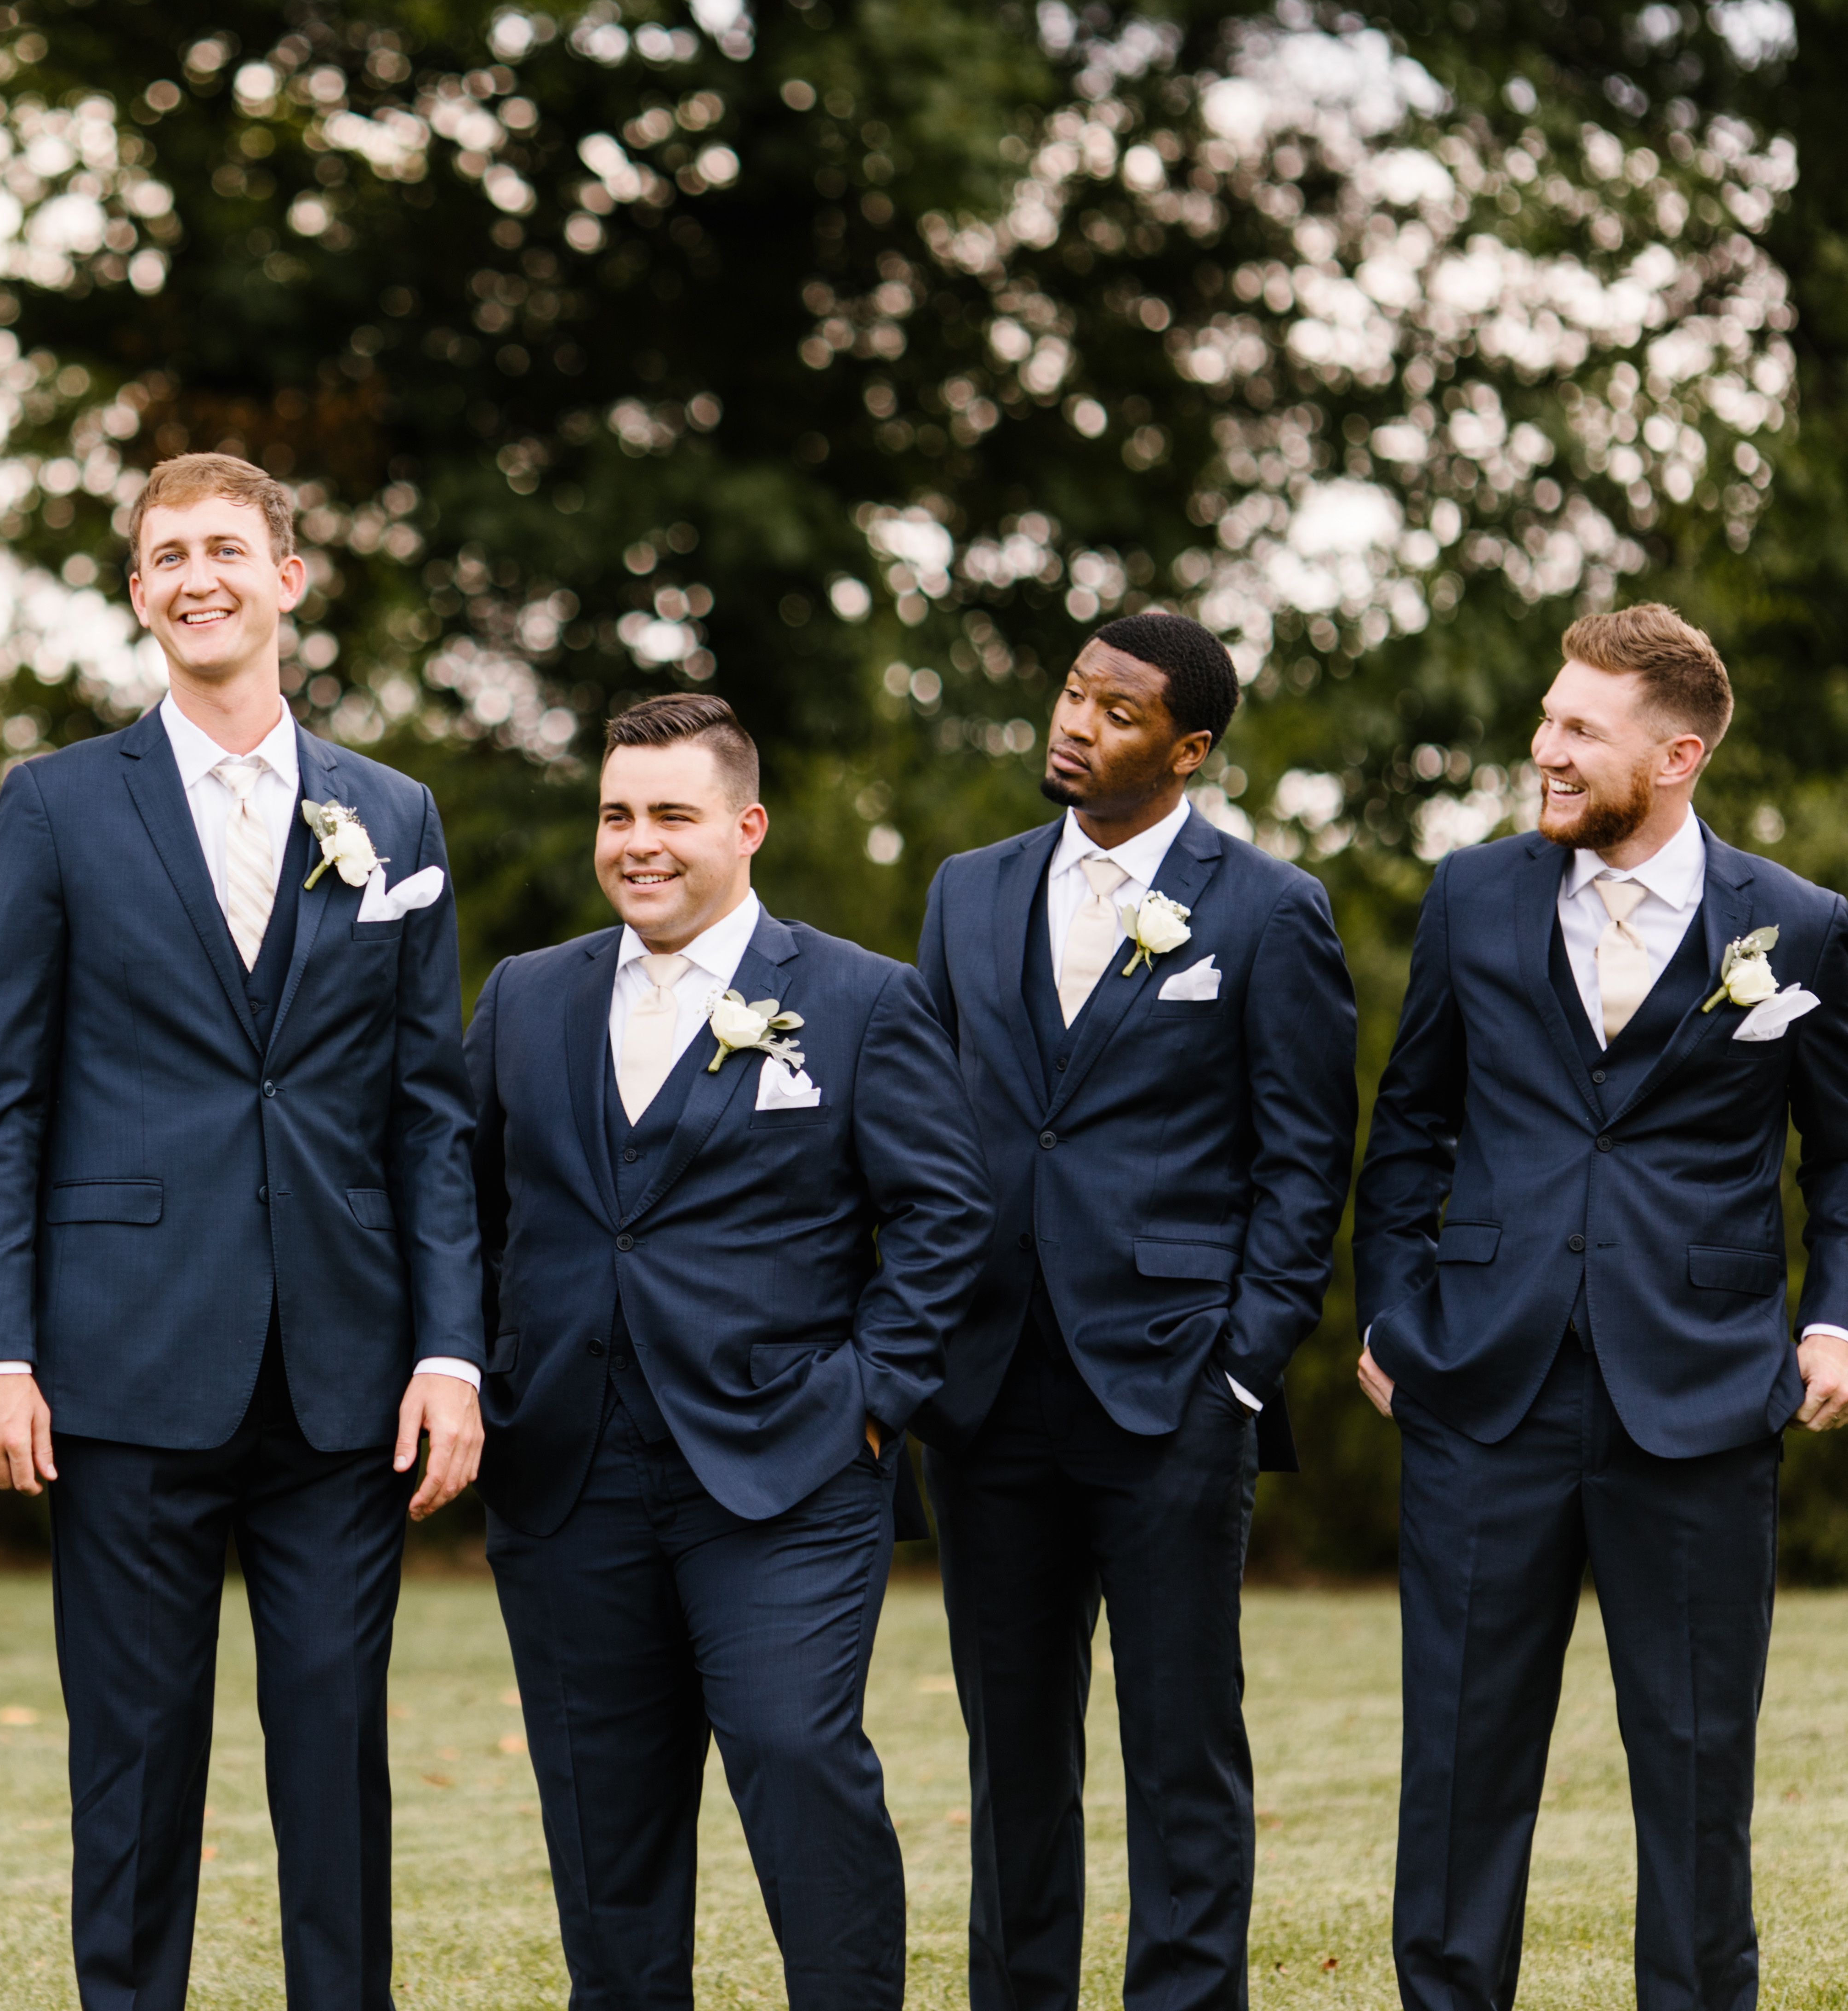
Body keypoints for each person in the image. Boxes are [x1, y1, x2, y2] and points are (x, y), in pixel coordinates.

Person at [0, 452, 483, 2010]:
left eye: (228, 549)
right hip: (122, 1360)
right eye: (168, 555)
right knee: (129, 1773)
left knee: (336, 1759)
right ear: (137, 593)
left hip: (344, 1373)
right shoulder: (54, 805)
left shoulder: (393, 812)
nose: (200, 577)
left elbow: (428, 1116)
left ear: (287, 578)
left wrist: (451, 1352)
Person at [1355, 603, 1848, 2011]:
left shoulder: (1800, 927)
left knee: (1695, 1770)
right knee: (1458, 1764)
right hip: (1479, 1389)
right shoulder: (1471, 895)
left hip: (1697, 1396)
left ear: (1676, 755)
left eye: (1579, 728)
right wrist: (1391, 1313)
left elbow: (1842, 1157)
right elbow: (1409, 1127)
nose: (1545, 749)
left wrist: (1832, 1320)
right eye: (1546, 718)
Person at [467, 691, 990, 2011]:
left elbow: (945, 1219)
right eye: (615, 816)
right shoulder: (526, 997)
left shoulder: (860, 1000)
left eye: (671, 815)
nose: (637, 843)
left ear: (746, 827)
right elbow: (457, 1206)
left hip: (785, 1465)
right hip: (567, 1468)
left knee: (795, 1754)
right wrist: (485, 1369)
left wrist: (870, 1397)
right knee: (603, 1815)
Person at [910, 612, 1357, 2011]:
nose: (1075, 722)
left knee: (1181, 1754)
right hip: (986, 1389)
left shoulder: (1267, 910)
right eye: (1072, 693)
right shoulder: (966, 892)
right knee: (1012, 1757)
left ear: (1188, 750)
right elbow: (923, 1134)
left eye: (1116, 711)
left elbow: (1303, 1162)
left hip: (1173, 1391)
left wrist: (1242, 1368)